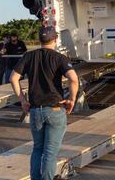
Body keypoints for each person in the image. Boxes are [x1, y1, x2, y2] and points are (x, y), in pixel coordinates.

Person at [9, 26, 79, 180]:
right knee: (50, 152)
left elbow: (13, 78)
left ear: (40, 40)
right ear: (55, 40)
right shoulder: (60, 58)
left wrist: (22, 100)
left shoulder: (28, 56)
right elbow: (74, 79)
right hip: (54, 110)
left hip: (35, 111)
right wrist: (72, 99)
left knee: (37, 149)